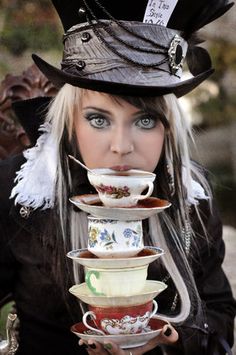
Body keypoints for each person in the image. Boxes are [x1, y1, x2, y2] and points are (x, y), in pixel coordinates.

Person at [0, 0, 235, 354]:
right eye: (98, 119)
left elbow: (219, 312)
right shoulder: (22, 193)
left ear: (168, 127)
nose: (121, 147)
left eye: (145, 120)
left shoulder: (193, 196)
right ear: (71, 122)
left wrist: (174, 338)